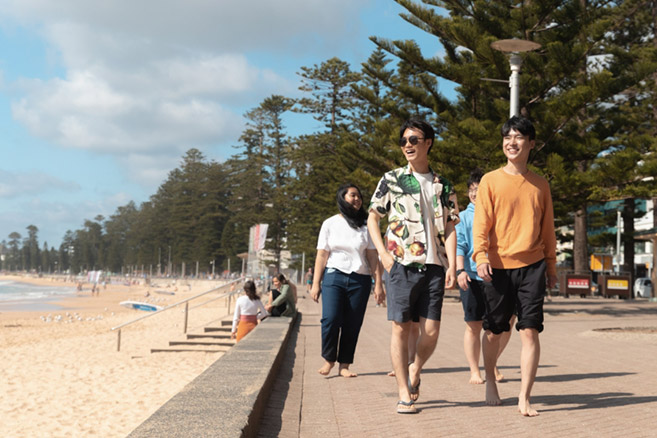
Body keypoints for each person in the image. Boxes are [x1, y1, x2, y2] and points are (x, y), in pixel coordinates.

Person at [368, 118, 459, 414]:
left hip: (434, 265)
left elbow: (451, 226)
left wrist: (453, 266)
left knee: (430, 331)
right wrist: (383, 253)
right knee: (400, 329)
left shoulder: (443, 184)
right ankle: (403, 393)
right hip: (401, 264)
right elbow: (373, 217)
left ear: (428, 143)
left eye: (414, 139)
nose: (407, 145)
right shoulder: (391, 178)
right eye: (404, 140)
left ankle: (415, 368)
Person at [472, 116, 557, 417]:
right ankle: (491, 380)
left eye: (519, 137)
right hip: (497, 266)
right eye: (507, 136)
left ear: (531, 143)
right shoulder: (491, 181)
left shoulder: (540, 185)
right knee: (495, 330)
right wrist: (480, 256)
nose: (512, 142)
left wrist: (551, 266)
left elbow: (547, 229)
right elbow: (481, 224)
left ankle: (524, 396)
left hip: (532, 265)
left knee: (530, 331)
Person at [311, 183, 381, 378]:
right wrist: (316, 283)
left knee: (352, 323)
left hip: (361, 280)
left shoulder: (367, 225)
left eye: (359, 196)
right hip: (334, 277)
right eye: (352, 195)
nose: (357, 199)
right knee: (330, 320)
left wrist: (379, 284)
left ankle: (344, 364)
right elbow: (322, 255)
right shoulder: (330, 223)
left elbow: (373, 256)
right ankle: (328, 359)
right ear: (342, 198)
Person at [456, 168, 514, 385]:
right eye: (471, 190)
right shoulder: (463, 217)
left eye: (479, 189)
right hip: (471, 276)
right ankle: (474, 370)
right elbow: (460, 245)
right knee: (474, 324)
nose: (475, 193)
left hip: (496, 275)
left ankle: (492, 362)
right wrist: (460, 271)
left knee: (505, 323)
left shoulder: (497, 214)